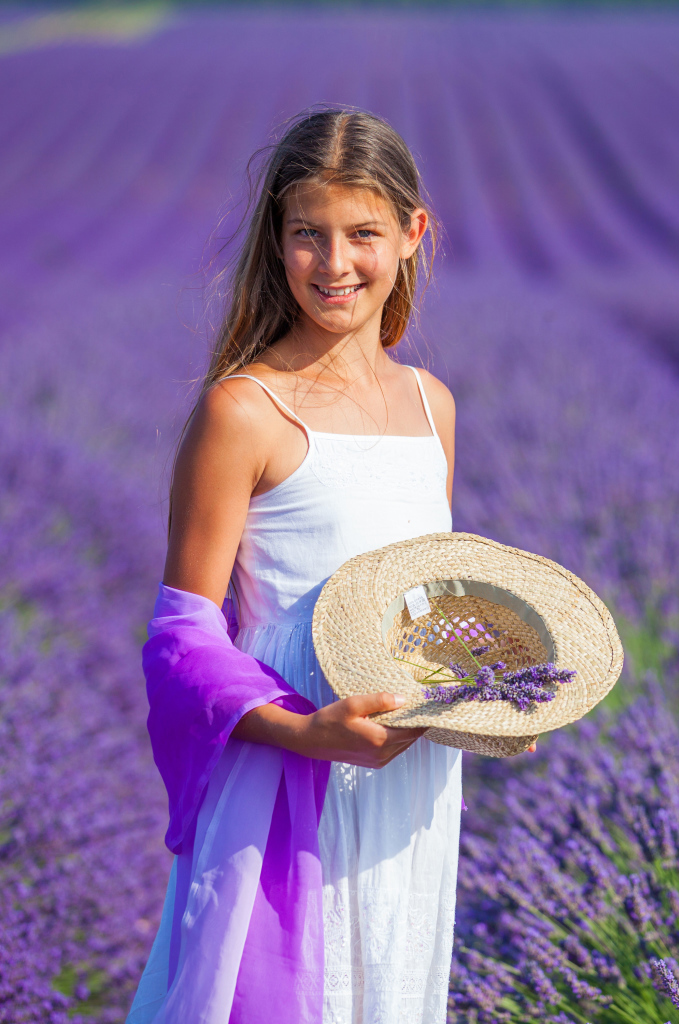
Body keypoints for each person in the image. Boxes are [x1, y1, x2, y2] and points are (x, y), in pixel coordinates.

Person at [129, 108, 495, 1024]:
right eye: (308, 234)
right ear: (277, 239)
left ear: (413, 233)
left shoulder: (433, 406)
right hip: (288, 780)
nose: (334, 263)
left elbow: (429, 605)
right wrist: (305, 733)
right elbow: (182, 642)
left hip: (408, 780)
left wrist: (491, 698)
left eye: (363, 233)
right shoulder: (246, 411)